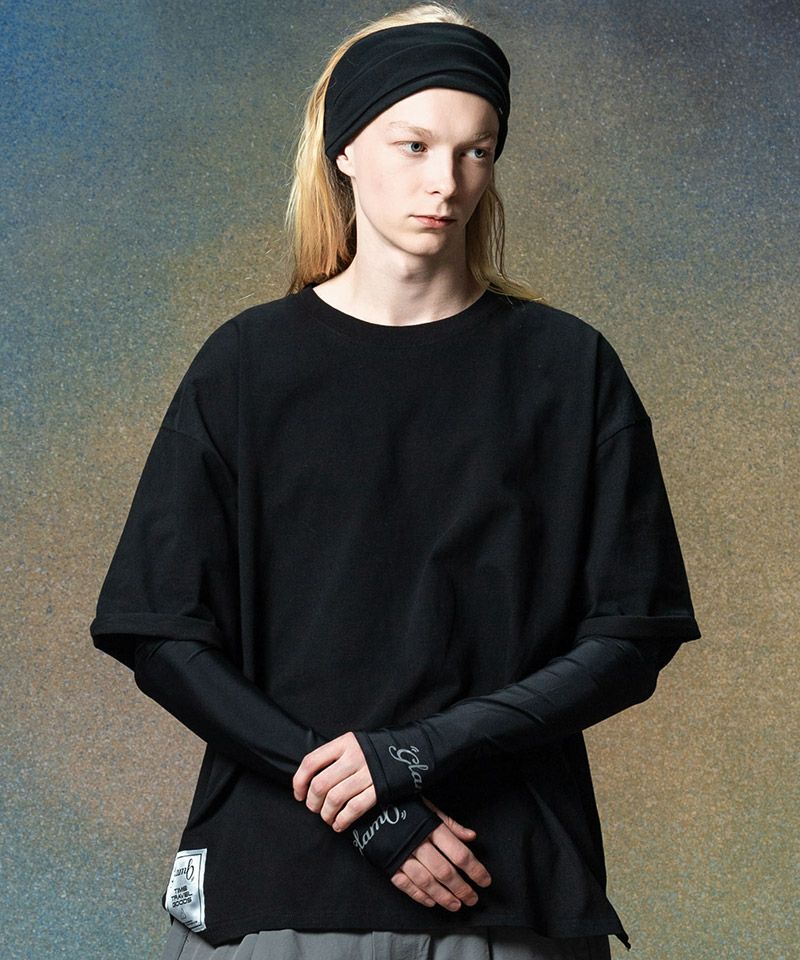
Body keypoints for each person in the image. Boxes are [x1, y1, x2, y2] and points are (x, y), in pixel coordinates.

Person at [89, 4, 701, 959]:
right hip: (275, 898)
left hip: (503, 894)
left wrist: (415, 754)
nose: (445, 182)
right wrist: (370, 809)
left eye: (475, 151)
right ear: (345, 150)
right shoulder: (246, 366)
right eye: (413, 145)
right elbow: (159, 630)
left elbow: (632, 634)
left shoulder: (568, 369)